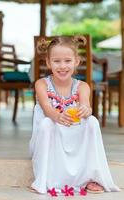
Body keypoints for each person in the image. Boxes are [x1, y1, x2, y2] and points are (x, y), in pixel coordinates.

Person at [29, 36, 120, 195]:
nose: (62, 66)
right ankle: (45, 179)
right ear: (48, 62)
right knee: (47, 123)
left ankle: (92, 176)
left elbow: (86, 104)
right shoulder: (42, 84)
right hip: (49, 138)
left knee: (91, 121)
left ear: (76, 61)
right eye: (57, 61)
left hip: (73, 138)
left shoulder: (82, 86)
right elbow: (47, 108)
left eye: (67, 61)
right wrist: (57, 116)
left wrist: (85, 109)